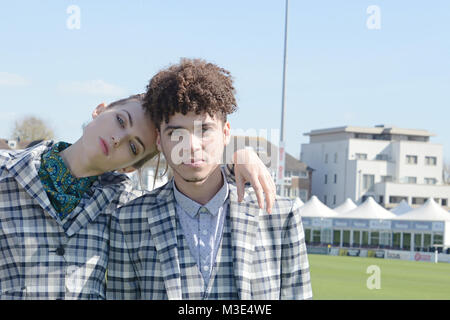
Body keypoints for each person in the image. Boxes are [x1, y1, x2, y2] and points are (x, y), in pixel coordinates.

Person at [0, 93, 275, 300]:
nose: (118, 138)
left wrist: (239, 157)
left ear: (129, 167)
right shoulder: (6, 173)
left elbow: (192, 183)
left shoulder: (126, 205)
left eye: (133, 146)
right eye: (120, 121)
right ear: (100, 110)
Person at [107, 58, 312, 300]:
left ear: (226, 133)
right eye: (176, 133)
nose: (191, 146)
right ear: (159, 139)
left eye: (204, 130)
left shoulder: (280, 214)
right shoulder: (128, 221)